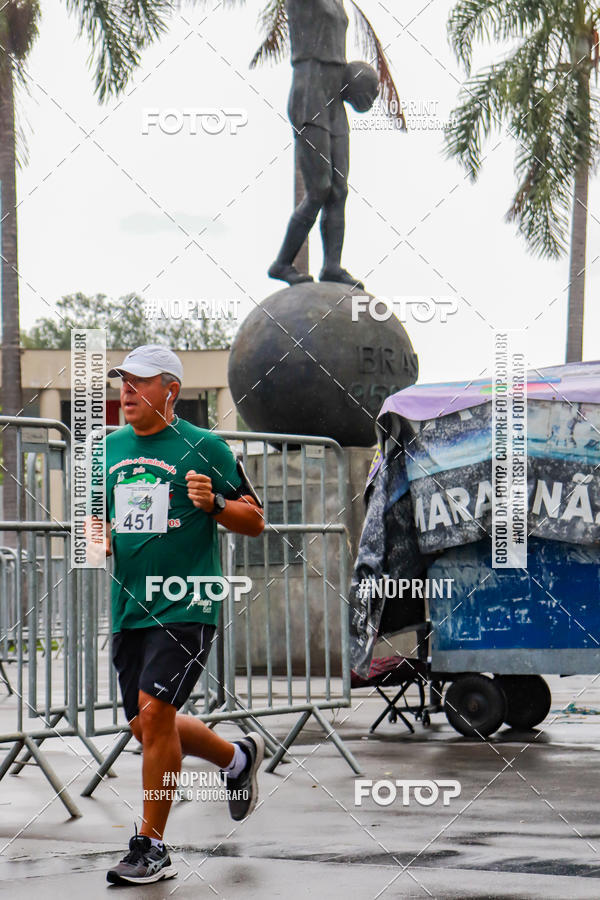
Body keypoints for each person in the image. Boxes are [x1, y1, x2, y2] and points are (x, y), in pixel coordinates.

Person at [90, 345, 265, 886]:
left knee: (156, 712)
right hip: (130, 607)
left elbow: (256, 519)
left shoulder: (206, 447)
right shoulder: (106, 449)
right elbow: (93, 525)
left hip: (188, 602)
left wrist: (215, 504)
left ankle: (153, 847)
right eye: (123, 381)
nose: (126, 390)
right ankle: (237, 758)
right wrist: (98, 537)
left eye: (139, 382)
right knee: (146, 725)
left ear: (170, 390)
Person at [268, 0, 365, 289]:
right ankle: (282, 263)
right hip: (310, 93)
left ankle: (332, 266)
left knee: (339, 189)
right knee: (319, 188)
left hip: (335, 100)